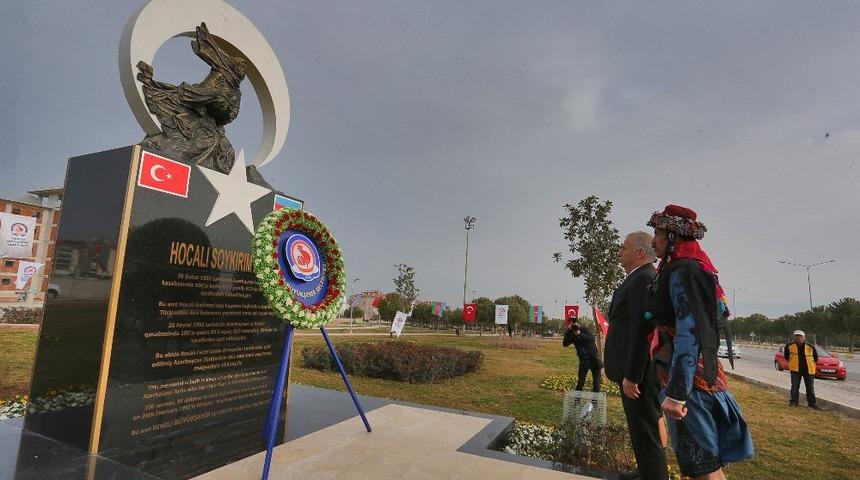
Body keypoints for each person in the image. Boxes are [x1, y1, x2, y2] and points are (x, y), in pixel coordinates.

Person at [645, 205, 753, 480]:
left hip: (692, 386)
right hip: (691, 381)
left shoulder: (684, 271)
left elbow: (690, 331)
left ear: (672, 236)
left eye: (656, 232)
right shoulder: (680, 269)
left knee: (703, 469)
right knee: (699, 468)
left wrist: (677, 392)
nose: (653, 240)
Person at [605, 231, 668, 480]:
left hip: (639, 377)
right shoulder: (637, 278)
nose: (620, 251)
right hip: (634, 375)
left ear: (640, 252)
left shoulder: (644, 279)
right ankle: (646, 472)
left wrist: (632, 375)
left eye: (624, 247)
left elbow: (644, 332)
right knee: (640, 431)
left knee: (646, 432)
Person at [784, 330, 820, 409]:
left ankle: (812, 404)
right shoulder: (789, 346)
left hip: (809, 370)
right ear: (794, 337)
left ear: (804, 337)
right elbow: (786, 357)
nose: (799, 338)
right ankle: (794, 402)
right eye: (797, 336)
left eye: (801, 336)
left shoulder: (810, 347)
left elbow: (816, 358)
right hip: (795, 370)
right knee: (795, 387)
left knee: (810, 388)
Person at [563, 320, 602, 392]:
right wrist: (567, 332)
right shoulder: (571, 333)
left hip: (594, 359)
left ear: (577, 324)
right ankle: (577, 402)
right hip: (583, 360)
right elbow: (565, 344)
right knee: (580, 382)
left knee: (596, 383)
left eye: (573, 324)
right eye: (570, 325)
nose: (572, 326)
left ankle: (595, 403)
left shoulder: (584, 329)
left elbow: (592, 338)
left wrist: (579, 334)